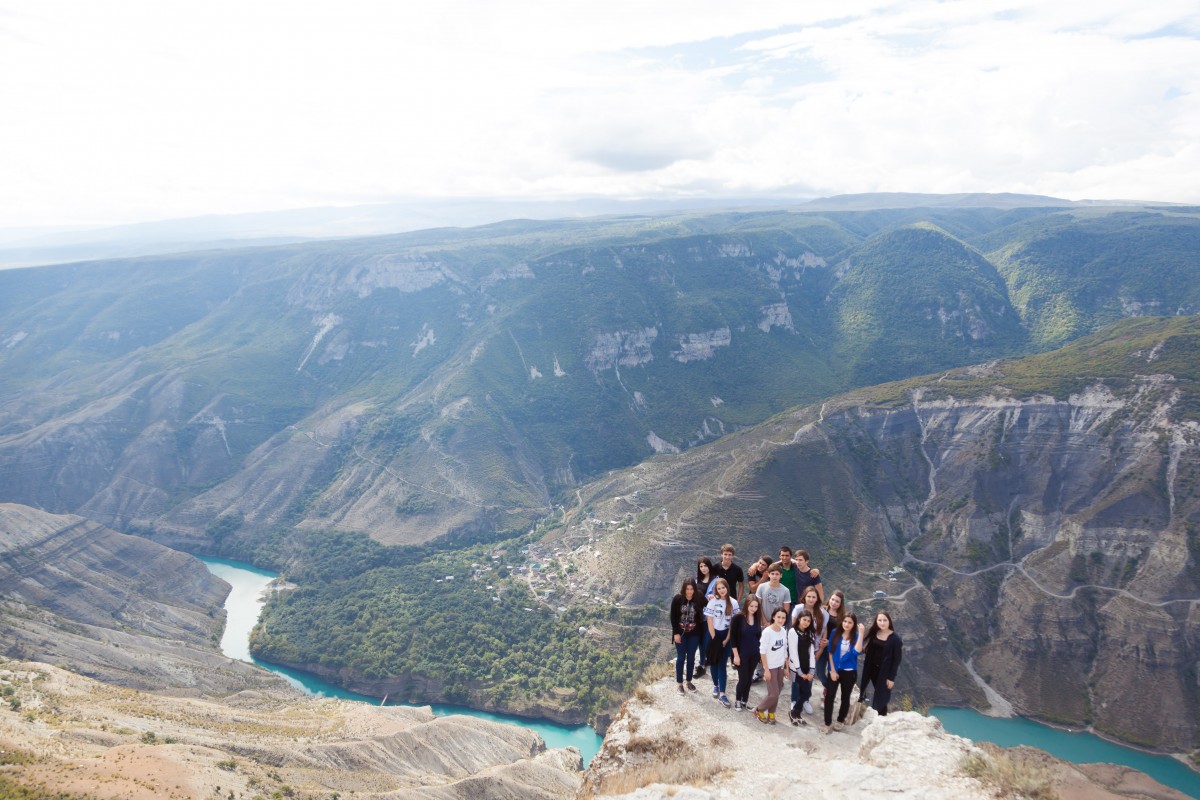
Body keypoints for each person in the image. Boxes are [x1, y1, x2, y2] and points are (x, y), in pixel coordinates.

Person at [823, 612, 864, 733]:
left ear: (854, 624)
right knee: (829, 696)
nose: (846, 624)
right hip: (834, 670)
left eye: (850, 622)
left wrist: (861, 633)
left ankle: (840, 720)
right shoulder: (834, 633)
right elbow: (830, 652)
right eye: (845, 621)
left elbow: (857, 652)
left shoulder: (856, 637)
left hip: (849, 672)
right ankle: (827, 722)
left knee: (845, 698)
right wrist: (833, 671)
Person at [858, 610, 903, 715]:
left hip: (885, 672)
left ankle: (882, 718)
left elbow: (897, 660)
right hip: (872, 668)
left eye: (884, 620)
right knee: (876, 692)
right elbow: (865, 646)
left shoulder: (895, 639)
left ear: (889, 621)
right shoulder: (874, 632)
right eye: (880, 620)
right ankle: (878, 716)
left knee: (882, 696)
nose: (882, 623)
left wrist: (891, 678)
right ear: (876, 621)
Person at [704, 577, 739, 708]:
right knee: (713, 661)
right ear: (716, 590)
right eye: (719, 588)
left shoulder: (734, 603)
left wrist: (726, 639)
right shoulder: (713, 602)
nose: (721, 590)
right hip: (714, 635)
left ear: (727, 587)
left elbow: (733, 624)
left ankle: (723, 693)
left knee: (722, 664)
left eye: (723, 587)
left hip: (726, 635)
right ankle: (715, 685)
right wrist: (715, 639)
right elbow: (709, 620)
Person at [754, 607, 790, 724]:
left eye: (783, 618)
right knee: (773, 693)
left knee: (776, 693)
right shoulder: (767, 632)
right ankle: (759, 709)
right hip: (770, 667)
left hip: (780, 666)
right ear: (774, 617)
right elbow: (762, 651)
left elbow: (784, 650)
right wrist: (766, 670)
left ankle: (771, 713)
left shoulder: (784, 631)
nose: (781, 620)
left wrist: (786, 668)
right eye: (778, 617)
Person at [670, 578, 705, 693]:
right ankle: (679, 684)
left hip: (694, 634)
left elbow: (710, 605)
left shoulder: (699, 597)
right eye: (687, 589)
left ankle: (688, 681)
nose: (689, 592)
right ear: (684, 589)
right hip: (680, 634)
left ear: (695, 589)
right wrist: (676, 633)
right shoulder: (677, 599)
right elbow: (673, 617)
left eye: (691, 589)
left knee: (691, 658)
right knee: (681, 658)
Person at [730, 596, 764, 711]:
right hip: (741, 654)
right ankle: (738, 700)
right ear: (747, 605)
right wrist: (735, 655)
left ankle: (745, 700)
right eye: (751, 606)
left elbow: (758, 637)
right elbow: (733, 638)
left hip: (754, 654)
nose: (753, 609)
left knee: (749, 679)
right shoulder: (738, 618)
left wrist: (760, 654)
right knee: (743, 679)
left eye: (756, 606)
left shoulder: (757, 618)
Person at [786, 608, 818, 724]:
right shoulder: (792, 632)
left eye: (808, 621)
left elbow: (812, 653)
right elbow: (793, 652)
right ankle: (794, 712)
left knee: (806, 692)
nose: (806, 622)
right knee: (805, 691)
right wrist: (800, 672)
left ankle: (796, 713)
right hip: (797, 667)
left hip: (807, 667)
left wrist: (811, 671)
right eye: (804, 619)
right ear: (799, 619)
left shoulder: (810, 633)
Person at [816, 589, 846, 690]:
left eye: (837, 601)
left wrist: (830, 641)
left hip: (833, 647)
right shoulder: (822, 610)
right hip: (820, 646)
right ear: (829, 599)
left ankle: (828, 693)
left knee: (832, 671)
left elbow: (843, 635)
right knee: (819, 672)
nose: (834, 603)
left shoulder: (842, 617)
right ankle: (829, 688)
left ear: (841, 604)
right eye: (832, 599)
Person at [693, 557, 715, 679]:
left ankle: (704, 663)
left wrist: (714, 596)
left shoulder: (715, 581)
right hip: (698, 616)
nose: (703, 568)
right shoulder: (697, 581)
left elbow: (721, 594)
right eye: (701, 566)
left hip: (709, 616)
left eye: (705, 565)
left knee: (706, 641)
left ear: (709, 566)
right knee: (701, 640)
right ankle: (702, 663)